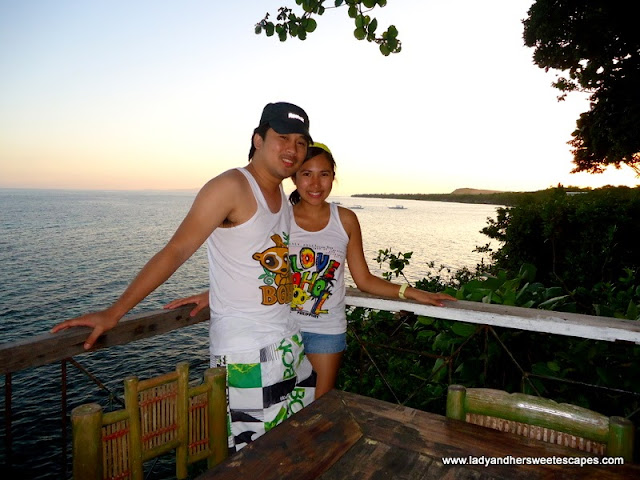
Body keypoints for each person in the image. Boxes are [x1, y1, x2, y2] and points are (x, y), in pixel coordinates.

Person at [51, 102, 317, 451]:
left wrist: (215, 290)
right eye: (282, 137)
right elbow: (175, 250)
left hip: (286, 341)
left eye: (300, 142)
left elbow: (260, 258)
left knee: (291, 447)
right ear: (257, 139)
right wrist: (114, 313)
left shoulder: (280, 195)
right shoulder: (230, 187)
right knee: (252, 458)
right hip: (247, 354)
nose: (292, 149)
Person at [164, 142, 455, 398]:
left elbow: (364, 279)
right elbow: (255, 270)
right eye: (306, 174)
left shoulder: (346, 220)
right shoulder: (279, 217)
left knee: (318, 408)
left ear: (333, 178)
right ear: (294, 178)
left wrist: (413, 293)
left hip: (326, 332)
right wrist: (212, 293)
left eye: (324, 174)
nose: (315, 184)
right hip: (279, 329)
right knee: (282, 413)